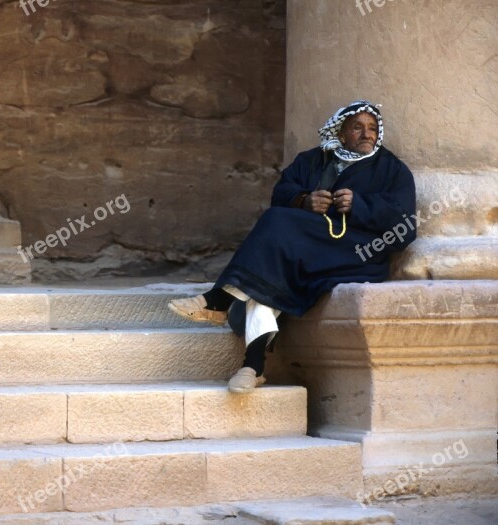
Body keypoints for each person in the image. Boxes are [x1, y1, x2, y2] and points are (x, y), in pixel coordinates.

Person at [169, 100, 417, 392]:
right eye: (357, 127)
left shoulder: (392, 170)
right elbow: (282, 193)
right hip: (305, 251)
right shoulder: (311, 160)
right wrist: (304, 200)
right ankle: (252, 366)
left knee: (275, 235)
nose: (367, 135)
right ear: (340, 131)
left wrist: (360, 205)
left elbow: (405, 229)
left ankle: (218, 300)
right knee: (272, 266)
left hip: (354, 254)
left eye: (372, 129)